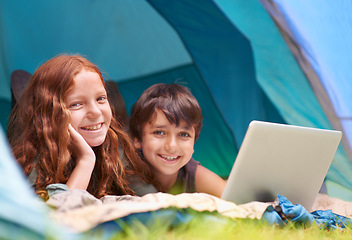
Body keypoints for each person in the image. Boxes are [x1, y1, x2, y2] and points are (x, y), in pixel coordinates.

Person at [7, 54, 156, 200]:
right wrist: (85, 161)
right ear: (48, 116)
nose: (96, 112)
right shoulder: (33, 160)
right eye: (76, 104)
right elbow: (52, 219)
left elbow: (153, 200)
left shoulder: (114, 147)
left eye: (100, 99)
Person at [129, 83, 226, 198]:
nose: (172, 146)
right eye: (159, 132)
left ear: (193, 142)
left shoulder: (198, 177)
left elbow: (237, 201)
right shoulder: (126, 172)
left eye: (184, 134)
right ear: (138, 140)